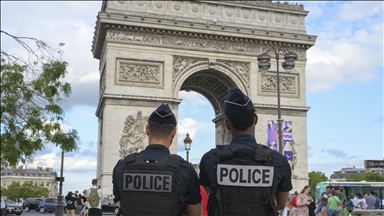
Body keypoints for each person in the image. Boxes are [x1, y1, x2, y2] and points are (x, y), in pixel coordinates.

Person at [199, 88, 293, 216]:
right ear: (255, 119)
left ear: (226, 124)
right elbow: (281, 205)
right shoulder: (278, 161)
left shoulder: (210, 159)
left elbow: (211, 195)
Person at [112, 103, 202, 216]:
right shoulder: (185, 171)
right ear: (173, 132)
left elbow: (123, 206)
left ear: (147, 130)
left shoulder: (122, 168)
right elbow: (195, 213)